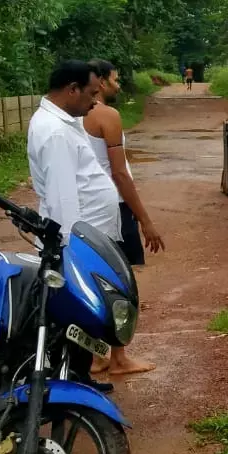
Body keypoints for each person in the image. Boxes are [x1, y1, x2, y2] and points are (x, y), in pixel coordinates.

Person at [26, 60, 120, 392]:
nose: (95, 101)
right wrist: (70, 251)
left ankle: (78, 376)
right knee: (75, 312)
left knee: (79, 317)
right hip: (75, 242)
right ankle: (71, 384)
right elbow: (63, 197)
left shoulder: (63, 122)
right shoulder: (54, 132)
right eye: (92, 93)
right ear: (72, 89)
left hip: (86, 236)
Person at [82, 58, 162, 376]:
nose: (117, 84)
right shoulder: (107, 116)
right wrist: (145, 219)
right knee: (120, 283)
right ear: (100, 82)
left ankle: (96, 355)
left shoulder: (68, 118)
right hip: (113, 207)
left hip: (83, 210)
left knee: (90, 281)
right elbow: (120, 174)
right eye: (114, 79)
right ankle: (118, 358)